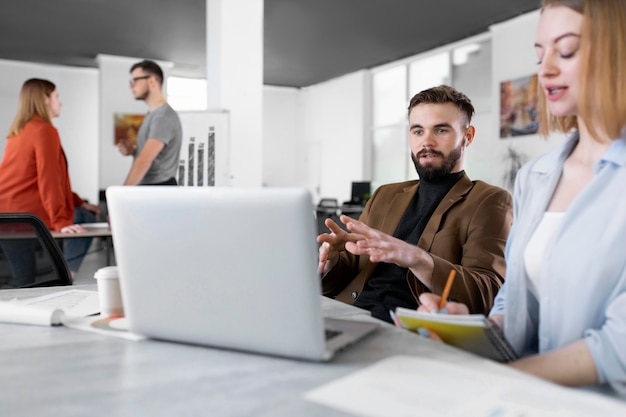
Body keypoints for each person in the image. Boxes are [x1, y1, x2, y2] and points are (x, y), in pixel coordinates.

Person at [419, 0, 626, 394]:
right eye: (539, 54)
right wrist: (474, 332)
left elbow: (618, 346)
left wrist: (501, 380)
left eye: (565, 51)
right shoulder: (536, 176)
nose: (545, 69)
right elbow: (514, 305)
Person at [317, 85, 513, 323]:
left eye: (441, 130)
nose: (426, 142)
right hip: (349, 317)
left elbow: (488, 294)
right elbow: (340, 282)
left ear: (467, 136)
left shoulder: (488, 201)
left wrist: (418, 259)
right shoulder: (384, 195)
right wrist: (332, 261)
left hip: (409, 329)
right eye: (418, 131)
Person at [0, 78, 99, 283]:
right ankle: (66, 274)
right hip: (26, 215)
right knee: (86, 219)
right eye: (56, 96)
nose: (60, 102)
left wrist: (78, 202)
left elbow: (35, 179)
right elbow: (49, 179)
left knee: (23, 279)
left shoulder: (18, 132)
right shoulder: (44, 131)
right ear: (45, 99)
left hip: (6, 214)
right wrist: (61, 221)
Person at [117, 60, 182, 185]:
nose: (131, 86)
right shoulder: (152, 115)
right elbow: (154, 156)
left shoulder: (163, 117)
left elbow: (144, 161)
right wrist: (133, 151)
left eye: (135, 80)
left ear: (152, 81)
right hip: (152, 189)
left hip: (158, 190)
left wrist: (122, 194)